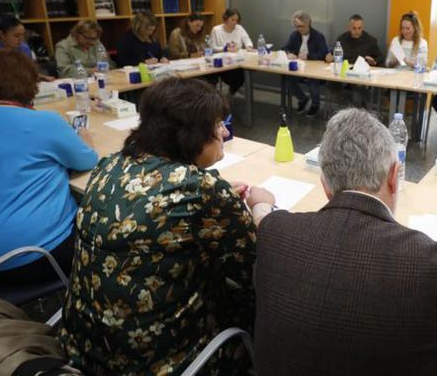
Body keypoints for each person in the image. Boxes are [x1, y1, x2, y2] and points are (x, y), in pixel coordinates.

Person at [254, 108, 437, 375]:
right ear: (394, 177)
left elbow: (265, 219)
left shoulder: (274, 233)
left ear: (325, 186)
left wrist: (260, 207)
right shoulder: (436, 264)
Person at [60, 77, 275, 376]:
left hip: (83, 347)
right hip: (156, 362)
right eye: (217, 126)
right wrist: (261, 209)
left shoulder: (108, 165)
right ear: (190, 135)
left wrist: (218, 195)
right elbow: (256, 269)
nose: (225, 133)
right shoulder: (202, 192)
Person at [0, 49, 97, 281]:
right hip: (31, 253)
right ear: (30, 84)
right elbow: (87, 160)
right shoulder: (44, 121)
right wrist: (85, 140)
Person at [283, 10, 328, 116]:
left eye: (302, 26)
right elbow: (284, 48)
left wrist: (308, 56)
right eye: (297, 26)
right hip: (300, 67)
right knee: (288, 79)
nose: (299, 29)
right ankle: (303, 99)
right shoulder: (295, 35)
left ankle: (315, 105)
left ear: (309, 24)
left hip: (315, 69)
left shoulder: (318, 36)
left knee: (312, 82)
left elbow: (323, 54)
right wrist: (288, 53)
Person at [208, 8, 248, 94]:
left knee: (242, 74)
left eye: (237, 20)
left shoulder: (239, 28)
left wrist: (249, 46)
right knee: (232, 76)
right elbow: (212, 47)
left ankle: (231, 92)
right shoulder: (216, 30)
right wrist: (225, 49)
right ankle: (231, 91)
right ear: (226, 19)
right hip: (222, 62)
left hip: (237, 61)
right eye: (232, 20)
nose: (235, 23)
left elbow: (247, 40)